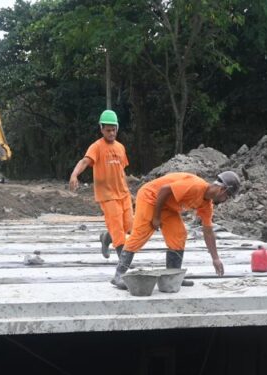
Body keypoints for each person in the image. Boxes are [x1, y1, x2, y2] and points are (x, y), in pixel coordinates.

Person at [111, 171, 240, 289]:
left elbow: (208, 231)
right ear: (222, 190)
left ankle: (173, 276)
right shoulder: (195, 186)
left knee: (179, 235)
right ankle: (119, 275)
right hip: (150, 197)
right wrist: (156, 217)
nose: (225, 201)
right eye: (227, 197)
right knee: (141, 234)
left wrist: (215, 258)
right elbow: (164, 190)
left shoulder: (207, 205)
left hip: (167, 206)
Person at [69, 110, 134, 260]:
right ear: (101, 129)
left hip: (123, 194)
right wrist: (74, 174)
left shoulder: (120, 147)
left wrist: (129, 192)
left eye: (114, 130)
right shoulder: (96, 147)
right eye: (108, 130)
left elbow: (121, 171)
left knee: (129, 227)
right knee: (117, 229)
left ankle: (106, 237)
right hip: (107, 196)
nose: (111, 133)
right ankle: (123, 264)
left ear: (117, 128)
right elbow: (84, 161)